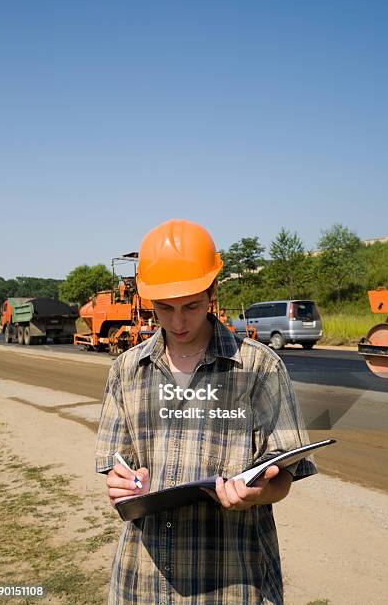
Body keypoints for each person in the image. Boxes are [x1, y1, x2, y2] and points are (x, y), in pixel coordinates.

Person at [95, 219, 317, 604]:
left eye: (191, 306)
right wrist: (124, 485)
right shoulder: (126, 371)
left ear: (213, 291)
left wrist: (258, 493)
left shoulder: (260, 368)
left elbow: (284, 477)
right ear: (148, 299)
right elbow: (119, 472)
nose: (178, 322)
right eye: (165, 308)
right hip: (143, 583)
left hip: (232, 581)